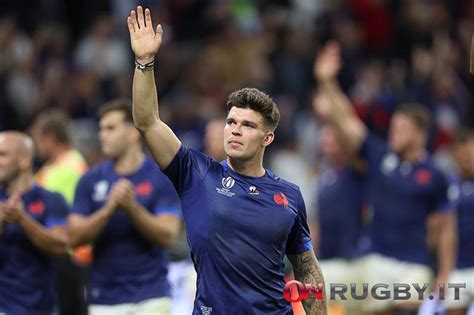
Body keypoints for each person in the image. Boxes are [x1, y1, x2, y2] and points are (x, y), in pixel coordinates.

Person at [127, 6, 327, 315]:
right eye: (231, 122)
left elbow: (307, 269)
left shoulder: (289, 195)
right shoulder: (195, 173)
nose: (235, 130)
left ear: (267, 138)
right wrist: (144, 63)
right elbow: (147, 122)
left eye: (247, 125)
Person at [313, 42, 456, 315]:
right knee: (307, 283)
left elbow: (446, 228)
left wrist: (445, 275)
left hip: (411, 266)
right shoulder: (381, 158)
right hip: (370, 262)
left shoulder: (436, 175)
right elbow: (346, 121)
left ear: (420, 135)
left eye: (401, 129)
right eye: (393, 127)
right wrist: (327, 81)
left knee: (410, 298)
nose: (394, 134)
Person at [67, 100, 182, 315]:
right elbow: (73, 237)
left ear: (132, 133)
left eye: (110, 128)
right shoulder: (90, 179)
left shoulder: (159, 177)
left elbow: (168, 235)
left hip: (151, 295)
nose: (102, 135)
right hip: (104, 297)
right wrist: (107, 210)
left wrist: (132, 207)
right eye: (101, 129)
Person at [0, 131, 69, 314]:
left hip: (41, 307)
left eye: (3, 154)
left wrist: (22, 219)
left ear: (24, 160)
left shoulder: (51, 199)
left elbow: (60, 245)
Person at [31, 108, 90, 315]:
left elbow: (32, 203)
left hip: (66, 255)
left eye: (37, 138)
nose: (36, 146)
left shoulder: (60, 171)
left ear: (50, 137)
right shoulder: (75, 161)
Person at [310, 119, 366, 315]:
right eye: (323, 135)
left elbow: (358, 140)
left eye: (331, 135)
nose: (325, 139)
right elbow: (317, 220)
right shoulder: (324, 176)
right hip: (326, 256)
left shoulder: (357, 170)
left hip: (351, 257)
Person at [445, 128, 474, 315]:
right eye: (462, 155)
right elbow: (446, 231)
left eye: (470, 154)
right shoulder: (448, 186)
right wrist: (444, 270)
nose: (467, 159)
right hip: (458, 268)